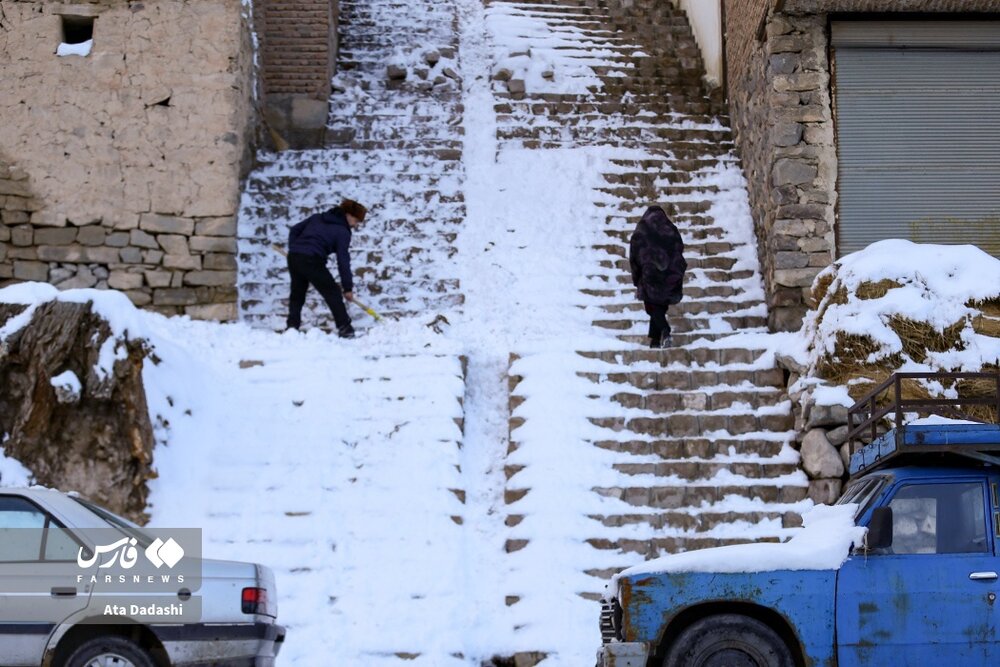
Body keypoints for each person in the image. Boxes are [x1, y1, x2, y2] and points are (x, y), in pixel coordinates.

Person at [286, 199, 368, 337]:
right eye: (356, 220)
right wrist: (347, 287)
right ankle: (345, 328)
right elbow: (343, 261)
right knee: (333, 292)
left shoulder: (317, 218)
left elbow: (294, 230)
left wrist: (295, 248)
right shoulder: (343, 232)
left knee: (297, 293)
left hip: (294, 257)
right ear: (348, 215)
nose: (355, 225)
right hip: (312, 260)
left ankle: (292, 327)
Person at [628, 205, 687, 349]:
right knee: (659, 305)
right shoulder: (671, 229)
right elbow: (679, 248)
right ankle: (654, 340)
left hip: (649, 272)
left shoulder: (642, 229)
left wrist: (636, 276)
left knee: (652, 306)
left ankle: (665, 331)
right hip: (670, 273)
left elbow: (634, 253)